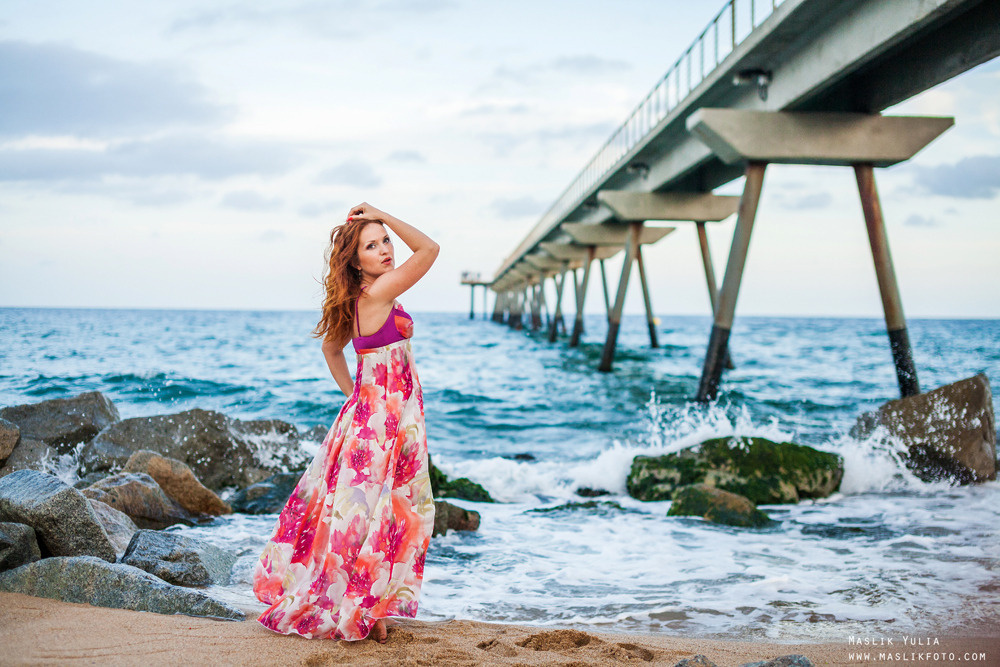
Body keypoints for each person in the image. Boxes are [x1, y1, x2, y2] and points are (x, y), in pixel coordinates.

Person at [252, 202, 440, 643]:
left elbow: (332, 352)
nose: (385, 250)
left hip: (374, 418)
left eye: (385, 241)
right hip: (383, 424)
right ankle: (362, 610)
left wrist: (354, 397)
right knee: (379, 513)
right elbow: (430, 249)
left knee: (370, 513)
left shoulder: (359, 299)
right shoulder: (377, 295)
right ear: (356, 261)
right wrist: (386, 214)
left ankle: (366, 608)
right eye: (371, 246)